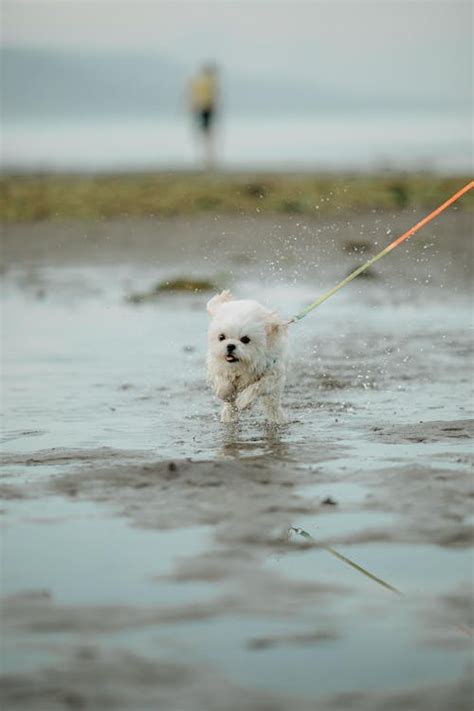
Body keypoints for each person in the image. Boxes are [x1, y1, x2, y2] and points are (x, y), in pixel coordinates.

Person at [189, 64, 218, 168]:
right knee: (208, 133)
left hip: (199, 108)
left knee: (202, 132)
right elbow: (212, 97)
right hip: (206, 108)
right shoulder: (210, 82)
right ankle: (208, 157)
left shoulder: (197, 81)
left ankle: (203, 157)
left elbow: (192, 96)